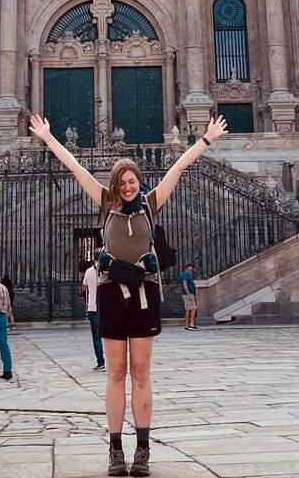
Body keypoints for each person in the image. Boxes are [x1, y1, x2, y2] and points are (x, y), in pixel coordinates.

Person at [29, 109, 228, 478]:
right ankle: (115, 449)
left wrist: (206, 140)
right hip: (110, 294)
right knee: (116, 372)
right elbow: (75, 168)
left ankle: (143, 449)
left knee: (140, 371)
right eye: (122, 182)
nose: (127, 187)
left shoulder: (151, 203)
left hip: (143, 293)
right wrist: (48, 139)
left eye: (132, 181)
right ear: (115, 184)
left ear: (139, 182)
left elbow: (178, 168)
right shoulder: (105, 201)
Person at [83, 252, 106, 372]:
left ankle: (101, 363)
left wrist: (91, 288)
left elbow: (84, 286)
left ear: (94, 258)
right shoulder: (107, 270)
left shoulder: (89, 271)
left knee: (96, 337)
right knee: (111, 336)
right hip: (106, 307)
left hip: (93, 307)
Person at [180, 263, 198, 331]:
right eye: (191, 267)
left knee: (188, 310)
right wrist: (189, 294)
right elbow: (185, 284)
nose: (192, 269)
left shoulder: (186, 274)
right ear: (188, 267)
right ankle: (191, 325)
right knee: (193, 308)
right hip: (187, 294)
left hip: (188, 294)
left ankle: (187, 326)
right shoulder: (185, 274)